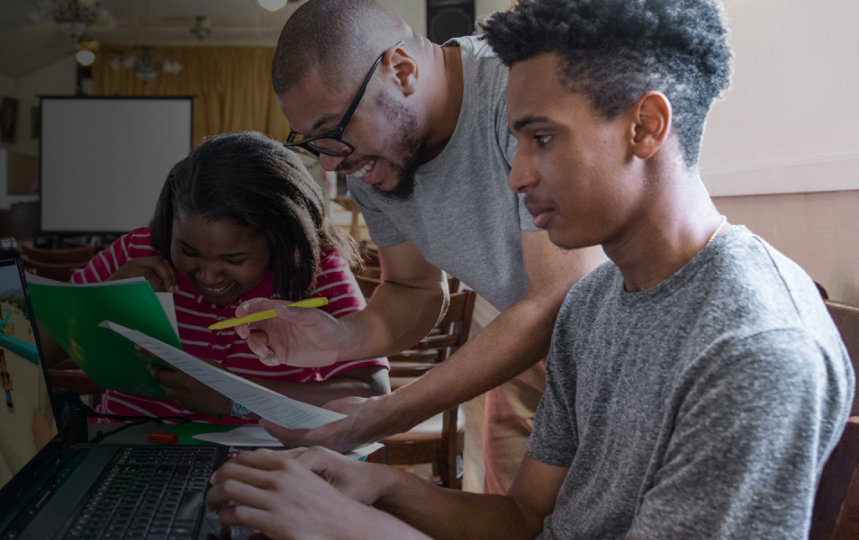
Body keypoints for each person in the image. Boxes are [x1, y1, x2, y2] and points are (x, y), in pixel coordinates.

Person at [206, 0, 855, 537]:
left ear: (645, 126)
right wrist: (378, 486)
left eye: (540, 138)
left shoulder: (753, 349)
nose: (514, 176)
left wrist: (357, 528)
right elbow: (527, 521)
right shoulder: (594, 307)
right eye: (514, 139)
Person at [232, 0, 604, 493]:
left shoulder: (518, 88)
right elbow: (412, 287)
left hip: (616, 354)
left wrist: (378, 415)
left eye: (334, 133)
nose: (329, 165)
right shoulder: (371, 159)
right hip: (525, 357)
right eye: (313, 143)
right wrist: (339, 338)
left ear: (401, 70)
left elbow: (558, 298)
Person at [69, 131, 389, 423]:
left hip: (260, 466)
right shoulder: (140, 250)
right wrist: (100, 300)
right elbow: (35, 343)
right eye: (188, 252)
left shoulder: (313, 270)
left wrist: (237, 396)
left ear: (280, 240)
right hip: (125, 450)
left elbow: (371, 391)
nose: (207, 274)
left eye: (233, 259)